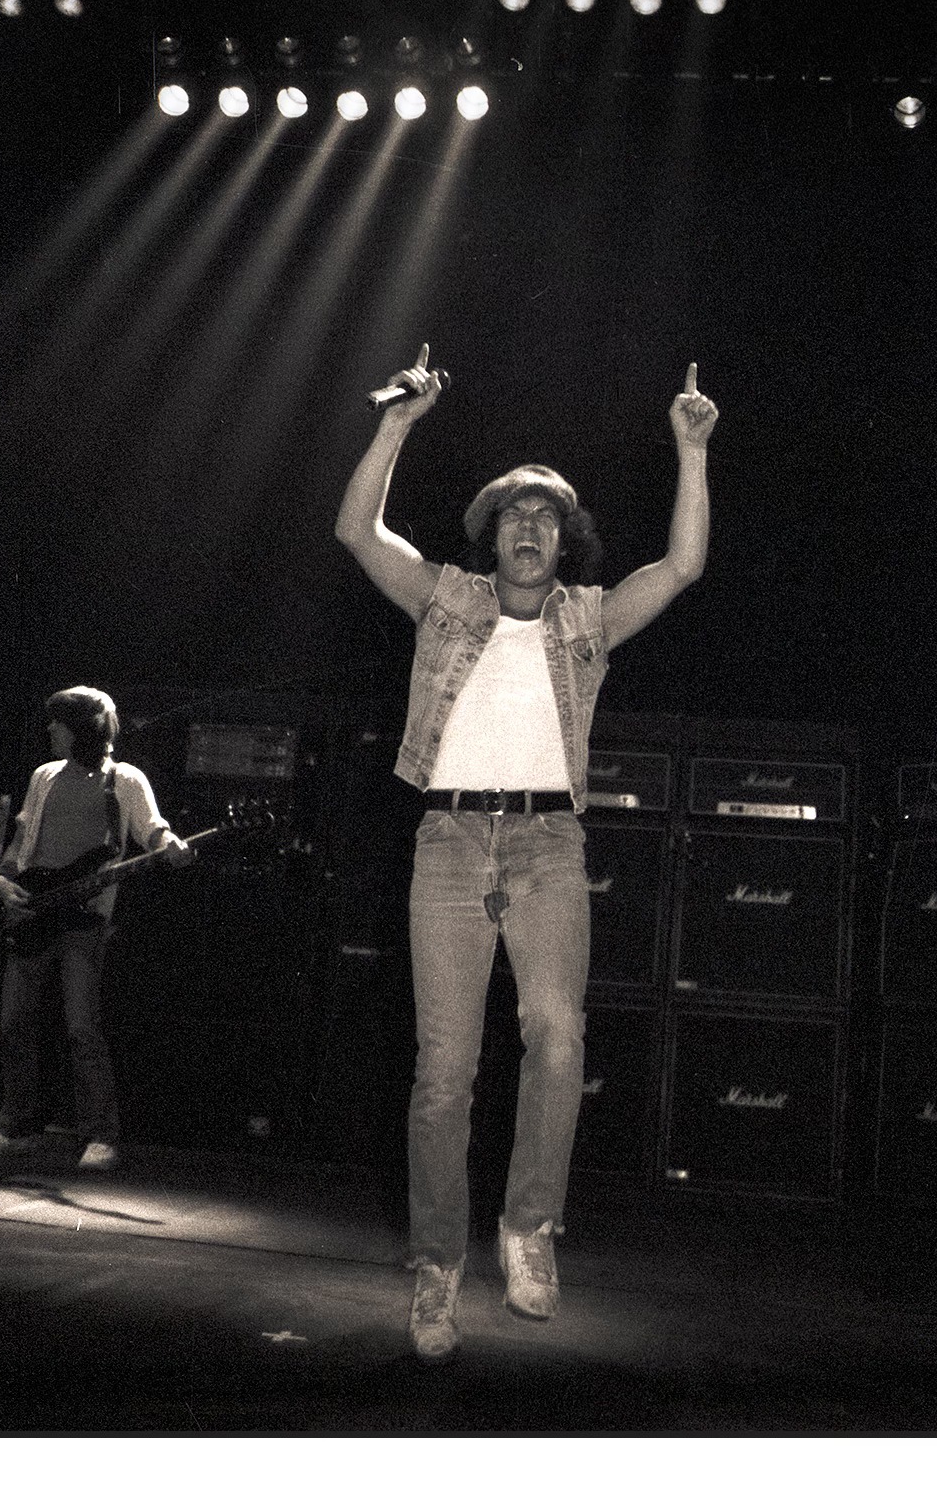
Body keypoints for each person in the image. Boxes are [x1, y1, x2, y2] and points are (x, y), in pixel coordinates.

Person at [336, 346, 719, 1362]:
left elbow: (681, 567)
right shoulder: (448, 601)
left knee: (556, 1035)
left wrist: (690, 450)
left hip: (548, 842)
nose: (529, 525)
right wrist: (398, 424)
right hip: (449, 840)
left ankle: (527, 1228)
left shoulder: (586, 619)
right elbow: (356, 531)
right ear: (492, 533)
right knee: (444, 1071)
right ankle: (436, 1268)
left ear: (564, 539)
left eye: (547, 515)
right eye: (514, 511)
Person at [0, 685, 188, 1170]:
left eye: (59, 722)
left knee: (81, 1028)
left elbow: (153, 829)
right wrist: (3, 883)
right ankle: (14, 1127)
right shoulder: (44, 775)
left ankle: (101, 1135)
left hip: (85, 920)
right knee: (14, 1024)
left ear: (80, 729)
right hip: (32, 911)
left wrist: (170, 844)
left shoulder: (124, 779)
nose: (50, 728)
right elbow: (22, 839)